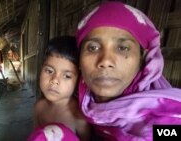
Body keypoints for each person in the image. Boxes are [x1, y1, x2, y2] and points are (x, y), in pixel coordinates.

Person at [76, 1, 181, 141]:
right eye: (92, 48)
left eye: (122, 48)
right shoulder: (78, 97)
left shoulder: (168, 118)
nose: (106, 61)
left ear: (143, 58)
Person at [27, 36, 90, 141]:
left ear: (79, 80)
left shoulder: (79, 117)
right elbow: (36, 137)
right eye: (49, 71)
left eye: (67, 76)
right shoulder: (39, 108)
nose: (55, 80)